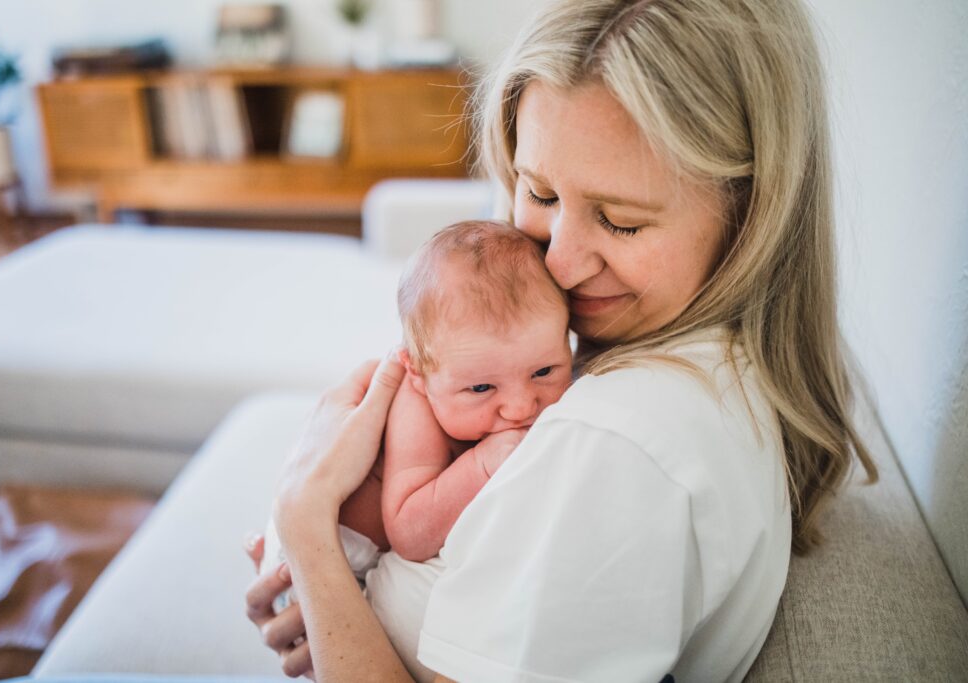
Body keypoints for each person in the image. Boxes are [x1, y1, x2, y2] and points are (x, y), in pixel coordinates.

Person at [244, 0, 878, 680]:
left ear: (751, 212)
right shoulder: (700, 353)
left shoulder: (618, 447)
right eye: (538, 191)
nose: (560, 262)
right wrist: (334, 600)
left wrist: (307, 525)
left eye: (622, 221)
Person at [260, 220, 573, 614]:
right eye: (480, 389)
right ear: (419, 374)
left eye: (544, 372)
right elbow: (408, 530)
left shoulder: (487, 376)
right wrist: (485, 461)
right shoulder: (415, 405)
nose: (521, 407)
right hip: (321, 556)